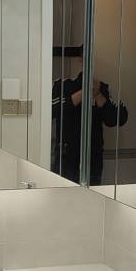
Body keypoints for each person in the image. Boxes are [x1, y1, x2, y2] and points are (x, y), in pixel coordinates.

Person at [52, 54, 127, 184]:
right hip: (66, 155)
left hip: (93, 157)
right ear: (80, 60)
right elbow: (50, 110)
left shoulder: (103, 89)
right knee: (63, 194)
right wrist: (83, 92)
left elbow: (118, 119)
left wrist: (97, 94)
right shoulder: (62, 85)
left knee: (92, 194)